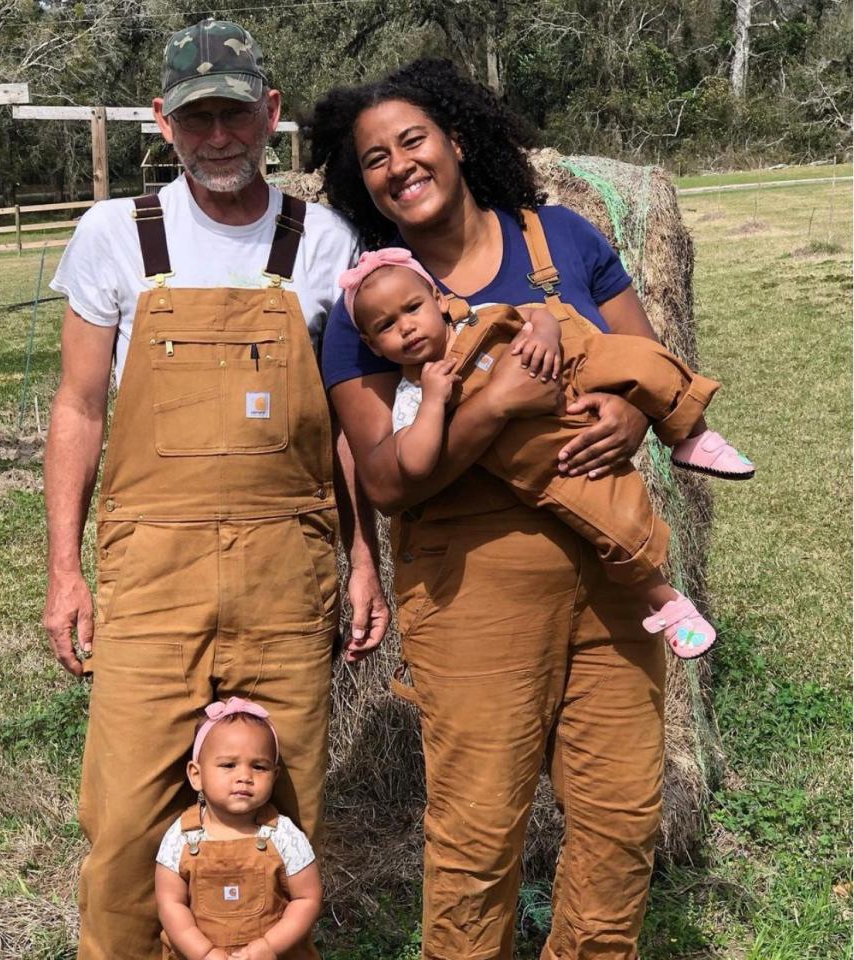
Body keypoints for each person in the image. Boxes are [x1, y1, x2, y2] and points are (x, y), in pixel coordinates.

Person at [305, 57, 709, 959]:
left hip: (614, 576)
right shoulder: (363, 310)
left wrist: (627, 409)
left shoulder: (560, 238)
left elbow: (647, 366)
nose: (399, 165)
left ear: (456, 139)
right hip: (472, 592)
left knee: (619, 819)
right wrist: (491, 407)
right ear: (356, 179)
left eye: (414, 140)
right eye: (374, 158)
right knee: (480, 831)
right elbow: (384, 479)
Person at [43, 19, 387, 959]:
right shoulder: (114, 234)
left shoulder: (324, 239)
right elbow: (78, 410)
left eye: (236, 113)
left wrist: (364, 558)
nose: (219, 136)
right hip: (152, 572)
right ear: (164, 122)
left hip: (289, 568)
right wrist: (66, 574)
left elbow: (351, 422)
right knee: (124, 820)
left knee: (284, 815)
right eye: (198, 119)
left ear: (271, 115)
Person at [338, 247, 755, 658]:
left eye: (412, 308)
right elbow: (414, 462)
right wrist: (433, 401)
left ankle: (690, 435)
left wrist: (545, 332)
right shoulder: (414, 392)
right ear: (372, 344)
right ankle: (666, 601)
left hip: (566, 369)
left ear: (439, 299)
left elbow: (536, 312)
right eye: (387, 325)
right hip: (547, 452)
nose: (407, 327)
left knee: (638, 356)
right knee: (611, 518)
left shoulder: (478, 315)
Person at [156, 698, 322, 960]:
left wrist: (269, 946)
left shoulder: (283, 835)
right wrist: (204, 952)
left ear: (274, 775)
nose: (244, 776)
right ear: (196, 775)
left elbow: (307, 898)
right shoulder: (182, 837)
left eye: (259, 766)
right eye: (228, 765)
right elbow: (170, 904)